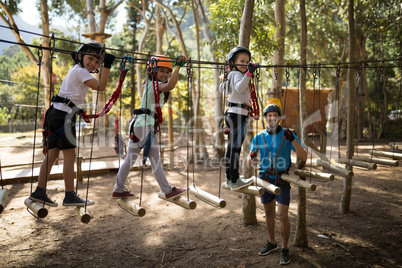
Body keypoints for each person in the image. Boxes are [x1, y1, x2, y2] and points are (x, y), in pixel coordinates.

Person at [29, 40, 116, 207]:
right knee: (70, 156)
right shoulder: (81, 72)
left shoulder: (76, 70)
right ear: (80, 56)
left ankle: (39, 191)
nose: (94, 63)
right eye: (91, 58)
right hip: (63, 117)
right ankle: (69, 195)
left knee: (52, 154)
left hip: (55, 114)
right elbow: (101, 86)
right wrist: (108, 65)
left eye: (98, 61)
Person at [112, 55, 187, 200]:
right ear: (153, 71)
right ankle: (167, 190)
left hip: (137, 125)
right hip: (145, 125)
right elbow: (171, 85)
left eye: (167, 72)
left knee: (130, 159)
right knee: (155, 161)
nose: (165, 75)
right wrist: (178, 67)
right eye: (161, 71)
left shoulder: (148, 83)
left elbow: (166, 85)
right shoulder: (154, 84)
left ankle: (118, 188)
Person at [249, 104, 307, 265]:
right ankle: (272, 243)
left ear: (279, 117)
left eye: (275, 115)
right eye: (269, 115)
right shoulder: (259, 137)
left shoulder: (287, 135)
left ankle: (284, 248)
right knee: (268, 213)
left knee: (282, 215)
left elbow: (304, 156)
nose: (272, 118)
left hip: (282, 179)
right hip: (264, 178)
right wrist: (252, 156)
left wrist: (293, 140)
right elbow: (249, 158)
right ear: (266, 117)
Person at [222, 46, 257, 190]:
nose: (245, 64)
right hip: (236, 115)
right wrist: (249, 72)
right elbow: (240, 88)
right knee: (235, 148)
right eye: (242, 61)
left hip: (233, 113)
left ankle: (230, 178)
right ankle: (234, 180)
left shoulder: (232, 74)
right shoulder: (236, 74)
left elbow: (230, 91)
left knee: (232, 147)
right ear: (233, 62)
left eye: (247, 61)